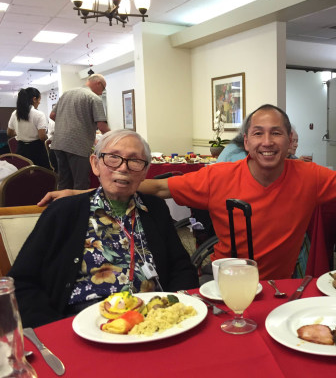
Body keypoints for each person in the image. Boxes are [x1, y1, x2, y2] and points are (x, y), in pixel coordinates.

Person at [41, 105, 336, 280]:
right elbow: (158, 186)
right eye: (258, 134)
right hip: (227, 282)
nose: (268, 142)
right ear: (247, 141)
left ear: (289, 139)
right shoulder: (218, 176)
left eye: (277, 133)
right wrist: (84, 192)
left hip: (282, 289)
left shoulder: (310, 176)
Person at [9, 129, 199, 327]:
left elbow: (182, 268)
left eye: (134, 161)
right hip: (81, 323)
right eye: (113, 158)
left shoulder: (154, 208)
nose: (123, 168)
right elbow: (22, 282)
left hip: (152, 320)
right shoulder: (64, 211)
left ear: (144, 172)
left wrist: (175, 312)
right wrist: (54, 330)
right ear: (95, 164)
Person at [50, 74, 110, 190]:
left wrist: (66, 124)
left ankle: (63, 207)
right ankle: (79, 207)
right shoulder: (94, 98)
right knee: (80, 183)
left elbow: (52, 115)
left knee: (64, 181)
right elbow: (102, 126)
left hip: (59, 144)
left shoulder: (67, 93)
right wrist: (116, 138)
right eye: (103, 88)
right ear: (98, 83)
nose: (101, 92)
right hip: (78, 145)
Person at [7, 87, 50, 168]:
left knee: (23, 175)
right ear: (34, 99)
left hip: (21, 149)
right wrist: (47, 137)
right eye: (39, 99)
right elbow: (42, 136)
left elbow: (9, 133)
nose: (39, 102)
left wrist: (21, 133)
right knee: (42, 175)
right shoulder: (39, 114)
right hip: (37, 150)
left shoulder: (15, 113)